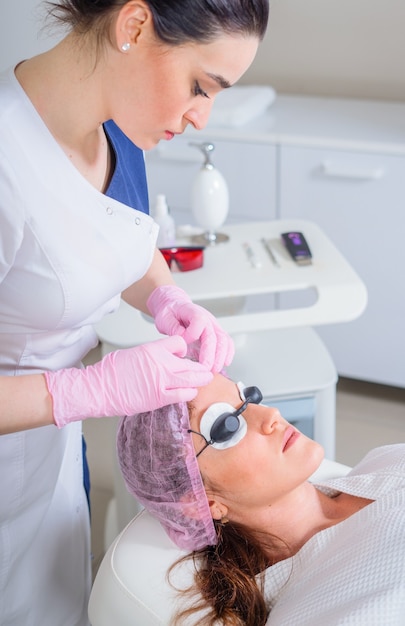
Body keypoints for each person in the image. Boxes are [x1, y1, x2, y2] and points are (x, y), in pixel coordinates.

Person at [0, 1, 269, 624]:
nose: (202, 116)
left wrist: (165, 297)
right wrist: (83, 390)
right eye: (200, 86)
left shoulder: (117, 127)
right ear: (135, 26)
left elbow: (121, 237)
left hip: (55, 452)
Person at [118, 373, 405, 626]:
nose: (271, 415)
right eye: (226, 425)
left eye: (248, 397)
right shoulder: (320, 608)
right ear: (202, 503)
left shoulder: (383, 460)